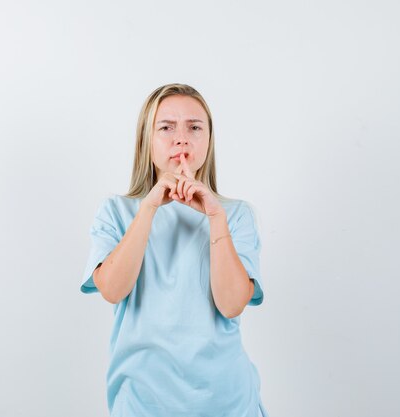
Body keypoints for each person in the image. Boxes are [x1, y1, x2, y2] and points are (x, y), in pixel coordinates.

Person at [80, 83, 269, 417]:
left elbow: (231, 304)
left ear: (208, 141)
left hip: (228, 403)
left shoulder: (235, 215)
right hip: (141, 403)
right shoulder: (116, 211)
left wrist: (214, 216)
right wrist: (150, 206)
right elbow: (112, 289)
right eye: (166, 127)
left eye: (194, 127)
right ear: (146, 141)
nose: (181, 139)